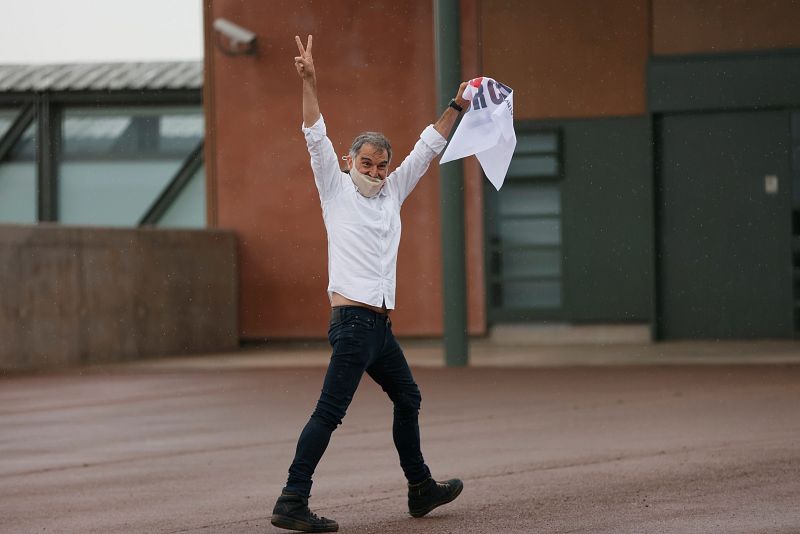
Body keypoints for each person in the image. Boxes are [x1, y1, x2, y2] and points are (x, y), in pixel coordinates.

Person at [271, 34, 469, 533]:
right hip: (353, 322)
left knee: (409, 398)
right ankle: (292, 500)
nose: (377, 173)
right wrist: (310, 81)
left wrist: (458, 105)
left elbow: (428, 149)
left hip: (379, 328)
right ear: (348, 163)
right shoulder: (334, 191)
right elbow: (314, 133)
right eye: (367, 164)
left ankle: (420, 489)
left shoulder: (391, 195)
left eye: (382, 166)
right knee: (330, 412)